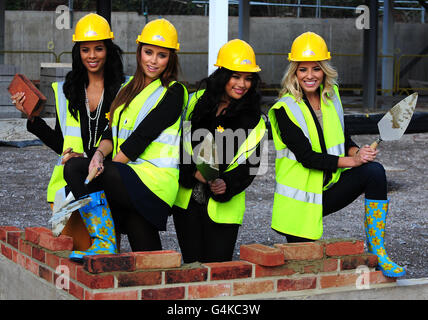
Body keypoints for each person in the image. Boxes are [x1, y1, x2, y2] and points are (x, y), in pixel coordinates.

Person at [268, 31, 405, 277]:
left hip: (329, 189)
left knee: (374, 172)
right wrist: (351, 161)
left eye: (316, 69)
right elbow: (307, 157)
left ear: (324, 70)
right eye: (302, 70)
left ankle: (379, 251)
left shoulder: (332, 97)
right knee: (303, 272)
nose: (310, 76)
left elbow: (344, 140)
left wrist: (358, 153)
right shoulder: (283, 109)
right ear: (294, 73)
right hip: (299, 203)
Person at [63, 18, 188, 260]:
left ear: (171, 58)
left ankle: (104, 239)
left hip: (154, 183)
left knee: (79, 170)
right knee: (148, 257)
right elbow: (111, 132)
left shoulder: (174, 91)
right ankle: (108, 243)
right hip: (129, 177)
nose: (153, 60)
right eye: (148, 52)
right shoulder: (127, 87)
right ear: (139, 51)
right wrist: (98, 156)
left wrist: (104, 170)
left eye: (161, 55)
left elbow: (141, 137)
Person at [11, 13, 125, 250]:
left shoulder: (124, 89)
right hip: (72, 185)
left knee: (104, 256)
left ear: (109, 50)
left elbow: (123, 140)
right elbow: (61, 142)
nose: (92, 56)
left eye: (98, 48)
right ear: (78, 52)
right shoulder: (69, 90)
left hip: (109, 181)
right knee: (76, 257)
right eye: (85, 50)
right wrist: (32, 117)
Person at [172, 39, 267, 263]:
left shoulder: (253, 118)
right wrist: (191, 173)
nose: (242, 84)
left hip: (224, 206)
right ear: (222, 75)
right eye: (236, 76)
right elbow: (178, 144)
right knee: (193, 268)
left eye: (248, 78)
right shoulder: (195, 101)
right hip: (188, 203)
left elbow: (250, 166)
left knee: (218, 272)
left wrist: (227, 183)